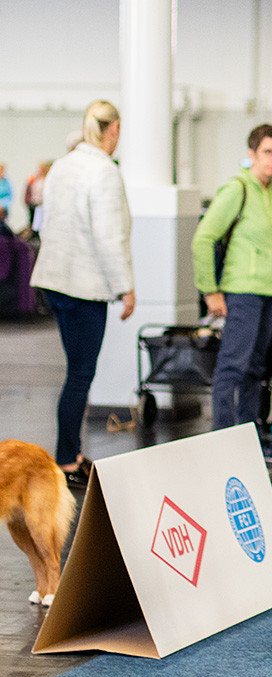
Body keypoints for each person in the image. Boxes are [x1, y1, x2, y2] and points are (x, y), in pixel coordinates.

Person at [29, 100, 135, 489]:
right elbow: (109, 238)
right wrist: (126, 288)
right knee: (80, 375)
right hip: (84, 287)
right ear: (114, 129)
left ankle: (69, 453)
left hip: (55, 281)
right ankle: (66, 460)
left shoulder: (63, 164)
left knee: (76, 372)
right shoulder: (104, 171)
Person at [191, 124, 272, 448]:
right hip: (242, 293)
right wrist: (211, 290)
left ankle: (247, 438)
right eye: (267, 152)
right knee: (232, 367)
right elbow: (203, 239)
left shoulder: (269, 190)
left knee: (255, 369)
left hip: (265, 295)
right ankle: (222, 439)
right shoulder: (238, 188)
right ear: (252, 154)